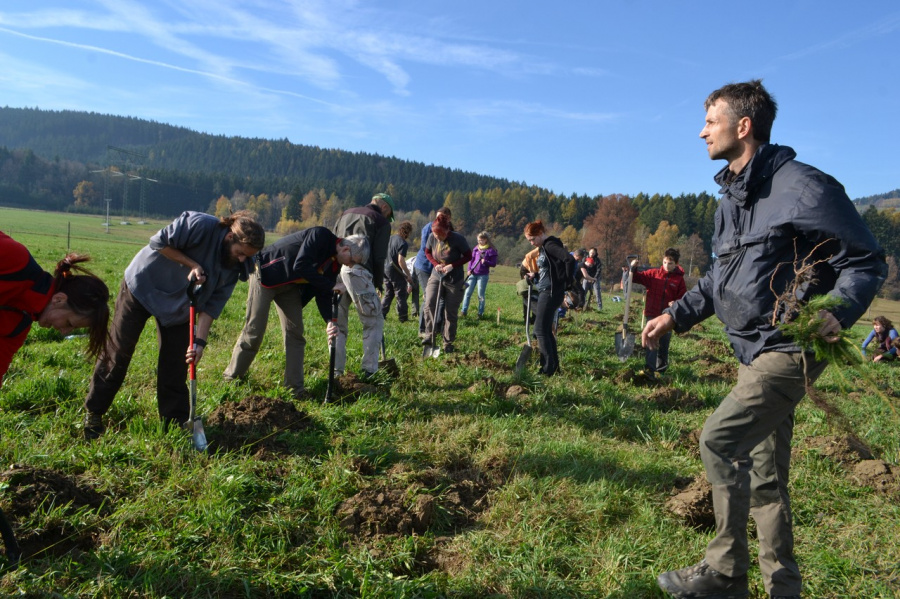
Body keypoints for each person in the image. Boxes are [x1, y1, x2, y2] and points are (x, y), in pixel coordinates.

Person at [646, 80, 885, 599]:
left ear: (743, 126)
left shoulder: (804, 186)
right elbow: (718, 279)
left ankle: (725, 574)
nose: (702, 130)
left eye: (711, 120)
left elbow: (865, 260)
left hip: (789, 347)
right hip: (751, 351)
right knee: (764, 476)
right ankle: (785, 589)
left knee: (719, 439)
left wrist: (840, 312)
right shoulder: (730, 199)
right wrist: (675, 315)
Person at [82, 210, 265, 439]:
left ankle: (174, 424)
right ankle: (94, 412)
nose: (242, 260)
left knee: (175, 365)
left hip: (181, 305)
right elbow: (158, 242)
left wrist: (200, 342)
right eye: (240, 253)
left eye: (247, 257)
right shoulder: (198, 224)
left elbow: (213, 305)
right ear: (230, 237)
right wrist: (192, 264)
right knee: (118, 353)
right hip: (143, 287)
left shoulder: (237, 265)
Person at [223, 228, 370, 399]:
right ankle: (231, 378)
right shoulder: (320, 236)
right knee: (254, 330)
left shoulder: (335, 263)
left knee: (296, 334)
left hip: (289, 285)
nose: (349, 266)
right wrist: (331, 286)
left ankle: (295, 389)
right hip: (265, 275)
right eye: (351, 261)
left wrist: (329, 321)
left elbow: (322, 292)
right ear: (345, 249)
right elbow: (300, 265)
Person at [1, 231, 111, 387]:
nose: (64, 332)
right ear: (59, 299)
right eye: (69, 323)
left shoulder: (18, 326)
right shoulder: (15, 259)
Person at [332, 192, 394, 378]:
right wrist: (377, 283)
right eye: (388, 213)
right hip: (360, 273)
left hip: (338, 273)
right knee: (373, 321)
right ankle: (369, 371)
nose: (387, 216)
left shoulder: (345, 213)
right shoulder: (382, 222)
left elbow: (333, 240)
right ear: (384, 207)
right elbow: (380, 256)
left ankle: (335, 372)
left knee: (338, 325)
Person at [523, 221, 575, 376]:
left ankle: (547, 369)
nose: (532, 243)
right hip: (549, 289)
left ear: (540, 233)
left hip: (550, 292)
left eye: (532, 239)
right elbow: (553, 268)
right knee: (545, 330)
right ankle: (554, 366)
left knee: (539, 330)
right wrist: (536, 275)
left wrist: (565, 282)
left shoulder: (550, 245)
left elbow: (569, 260)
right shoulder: (545, 247)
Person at [626, 247, 686, 374]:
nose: (667, 266)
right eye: (665, 262)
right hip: (652, 314)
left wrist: (675, 303)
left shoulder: (679, 280)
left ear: (676, 264)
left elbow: (683, 298)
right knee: (651, 342)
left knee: (663, 344)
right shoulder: (653, 274)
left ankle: (661, 370)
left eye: (670, 263)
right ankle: (650, 369)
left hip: (667, 317)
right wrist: (633, 268)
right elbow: (636, 277)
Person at [421, 213, 471, 354]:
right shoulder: (432, 236)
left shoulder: (458, 239)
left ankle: (448, 342)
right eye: (435, 235)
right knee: (429, 303)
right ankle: (429, 335)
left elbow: (469, 255)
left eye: (440, 236)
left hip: (454, 279)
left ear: (447, 232)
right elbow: (427, 252)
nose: (437, 238)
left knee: (450, 311)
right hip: (437, 275)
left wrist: (452, 266)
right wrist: (435, 264)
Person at [413, 207, 452, 335]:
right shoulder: (428, 228)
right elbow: (427, 249)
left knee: (441, 297)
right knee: (428, 297)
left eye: (442, 217)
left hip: (439, 268)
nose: (439, 219)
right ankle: (423, 329)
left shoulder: (450, 229)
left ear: (448, 218)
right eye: (437, 216)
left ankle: (437, 329)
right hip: (424, 266)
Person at [381, 220, 414, 322]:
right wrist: (408, 275)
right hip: (395, 270)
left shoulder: (390, 238)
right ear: (406, 232)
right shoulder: (403, 243)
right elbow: (401, 260)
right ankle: (403, 317)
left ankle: (381, 314)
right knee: (401, 294)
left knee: (388, 292)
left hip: (385, 269)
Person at [461, 231, 499, 319]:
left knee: (480, 295)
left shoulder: (491, 250)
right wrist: (469, 269)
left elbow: (493, 264)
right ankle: (464, 311)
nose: (479, 242)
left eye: (481, 240)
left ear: (486, 240)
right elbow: (471, 260)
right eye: (478, 240)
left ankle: (480, 313)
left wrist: (485, 262)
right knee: (467, 293)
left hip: (483, 276)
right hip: (473, 274)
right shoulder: (476, 249)